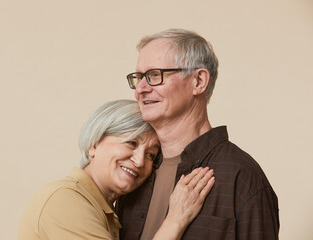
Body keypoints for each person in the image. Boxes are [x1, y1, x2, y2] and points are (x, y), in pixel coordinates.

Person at [117, 29, 280, 239]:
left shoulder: (241, 177)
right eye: (138, 77)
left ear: (199, 81)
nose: (140, 88)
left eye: (154, 75)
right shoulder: (134, 173)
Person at [18, 99, 215, 240]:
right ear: (94, 144)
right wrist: (175, 221)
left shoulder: (109, 212)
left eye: (150, 155)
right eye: (131, 143)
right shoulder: (64, 199)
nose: (139, 161)